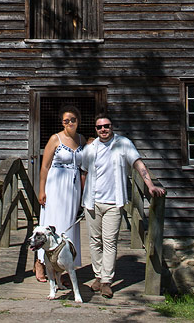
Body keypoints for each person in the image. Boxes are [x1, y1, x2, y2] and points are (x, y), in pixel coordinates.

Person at [80, 112, 165, 299]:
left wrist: (150, 185)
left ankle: (106, 281)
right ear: (96, 129)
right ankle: (97, 275)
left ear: (112, 127)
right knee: (95, 241)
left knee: (109, 242)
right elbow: (83, 172)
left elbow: (138, 164)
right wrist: (85, 197)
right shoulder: (90, 148)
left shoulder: (123, 144)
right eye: (100, 127)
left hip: (113, 202)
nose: (103, 129)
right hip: (92, 203)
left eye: (106, 126)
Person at [35, 105, 86, 284]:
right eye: (66, 120)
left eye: (73, 119)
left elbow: (85, 165)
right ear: (62, 122)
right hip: (56, 185)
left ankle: (63, 268)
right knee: (52, 223)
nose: (69, 123)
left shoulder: (82, 140)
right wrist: (42, 190)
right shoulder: (55, 139)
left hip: (72, 189)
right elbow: (45, 166)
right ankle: (41, 262)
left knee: (68, 226)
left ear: (78, 121)